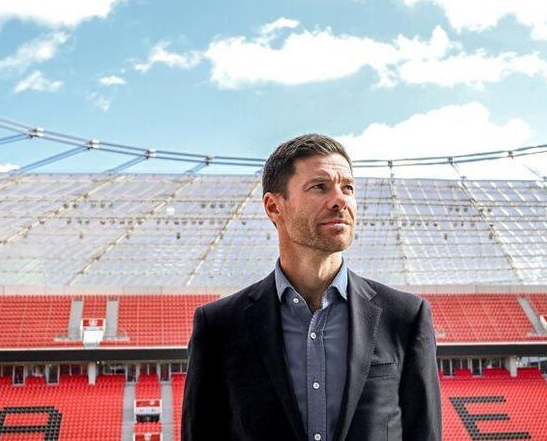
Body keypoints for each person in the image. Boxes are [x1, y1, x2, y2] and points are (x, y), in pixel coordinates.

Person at [181, 133, 442, 441]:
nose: (340, 200)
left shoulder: (405, 317)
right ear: (274, 207)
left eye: (348, 187)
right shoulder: (220, 326)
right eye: (320, 186)